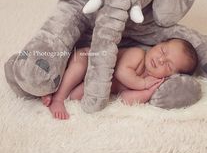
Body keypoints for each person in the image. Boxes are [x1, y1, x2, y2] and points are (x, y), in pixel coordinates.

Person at [41, 38, 198, 119]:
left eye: (169, 66)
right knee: (77, 69)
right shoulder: (138, 54)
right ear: (158, 44)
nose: (161, 60)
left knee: (76, 95)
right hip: (89, 57)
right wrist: (143, 84)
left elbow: (124, 99)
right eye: (163, 51)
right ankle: (58, 99)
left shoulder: (151, 81)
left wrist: (149, 91)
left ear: (170, 76)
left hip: (95, 82)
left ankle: (50, 88)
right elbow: (120, 73)